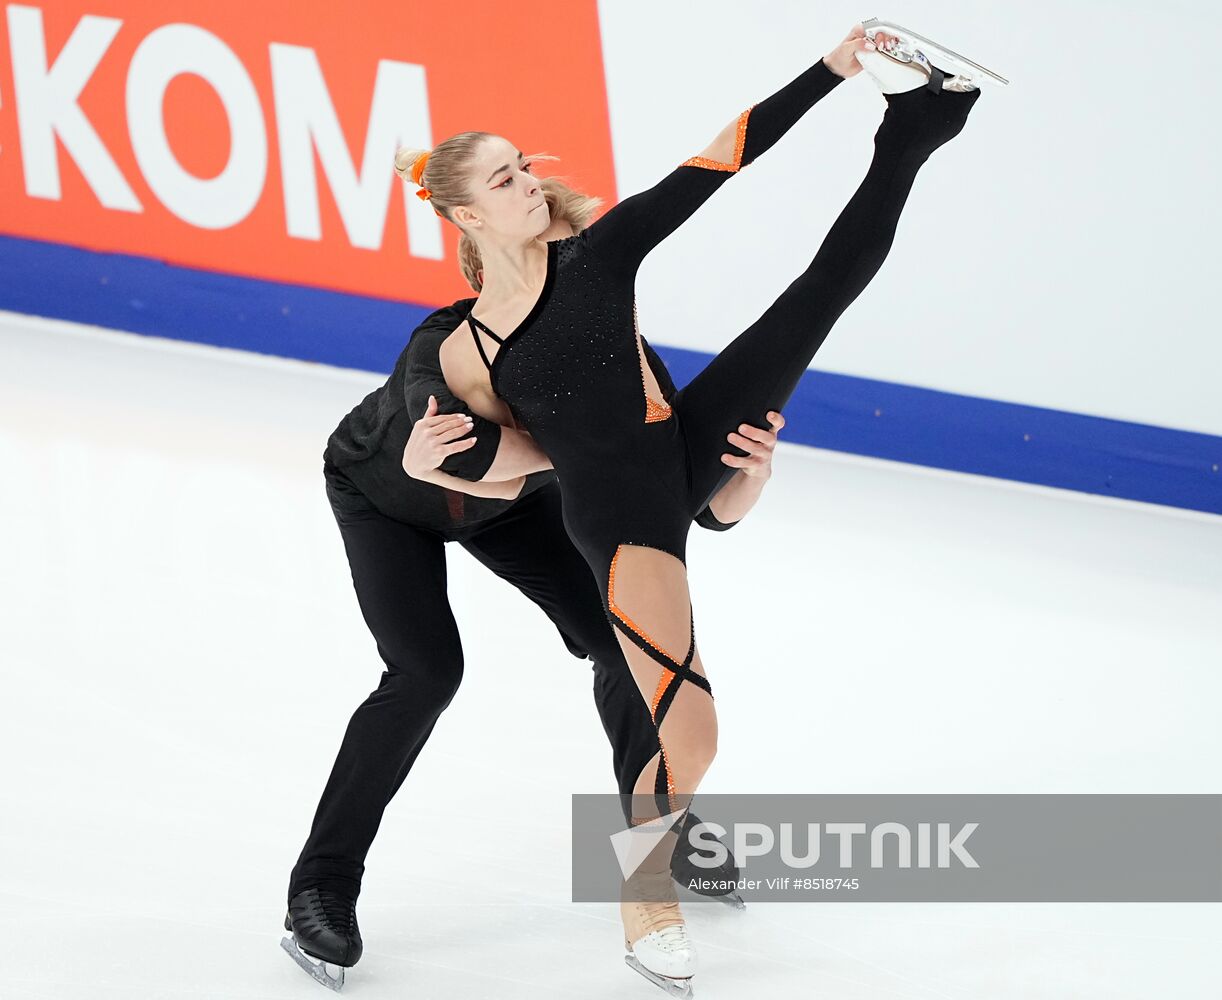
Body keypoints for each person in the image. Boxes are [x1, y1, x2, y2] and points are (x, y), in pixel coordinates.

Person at [397, 21, 986, 994]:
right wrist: (445, 472)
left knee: (821, 292)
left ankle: (914, 126)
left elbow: (721, 158)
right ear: (463, 216)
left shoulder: (596, 255)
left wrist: (835, 68)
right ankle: (644, 890)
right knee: (696, 731)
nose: (528, 181)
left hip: (687, 447)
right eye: (502, 179)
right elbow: (515, 462)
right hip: (622, 518)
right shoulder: (472, 351)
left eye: (524, 165)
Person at [280, 175, 785, 991]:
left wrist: (744, 479)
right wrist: (448, 450)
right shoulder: (444, 346)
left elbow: (678, 496)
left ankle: (657, 830)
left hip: (507, 512)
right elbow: (439, 441)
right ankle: (322, 884)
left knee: (622, 643)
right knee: (425, 674)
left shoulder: (615, 349)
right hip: (386, 499)